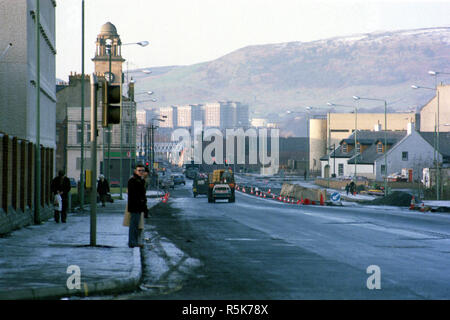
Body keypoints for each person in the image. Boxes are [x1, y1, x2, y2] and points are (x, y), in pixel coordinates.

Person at [127, 163, 148, 248]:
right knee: (134, 225)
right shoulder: (133, 180)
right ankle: (132, 242)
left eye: (143, 170)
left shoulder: (140, 180)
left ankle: (134, 241)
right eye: (139, 170)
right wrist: (141, 201)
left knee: (136, 225)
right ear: (135, 171)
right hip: (135, 206)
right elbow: (134, 194)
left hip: (139, 206)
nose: (141, 172)